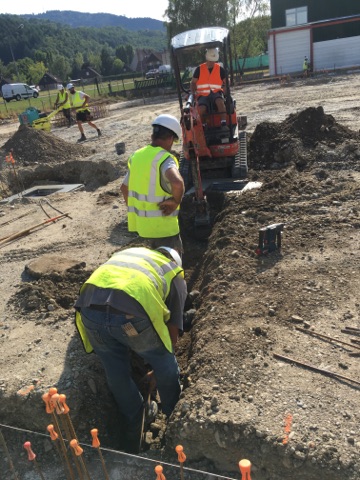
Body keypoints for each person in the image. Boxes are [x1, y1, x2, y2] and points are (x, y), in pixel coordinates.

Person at [74, 246, 187, 453]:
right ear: (176, 262)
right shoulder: (175, 274)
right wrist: (160, 366)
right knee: (165, 363)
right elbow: (172, 330)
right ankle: (174, 417)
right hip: (129, 317)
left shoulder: (131, 254)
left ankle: (134, 418)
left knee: (115, 371)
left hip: (90, 310)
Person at [120, 114, 185, 254]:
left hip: (142, 230)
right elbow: (177, 183)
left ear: (152, 136)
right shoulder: (165, 159)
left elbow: (124, 188)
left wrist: (137, 210)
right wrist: (175, 201)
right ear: (170, 138)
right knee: (171, 270)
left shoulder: (136, 156)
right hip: (165, 231)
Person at [190, 47, 227, 126]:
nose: (212, 63)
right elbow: (193, 83)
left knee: (219, 102)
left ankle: (223, 123)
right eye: (210, 61)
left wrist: (226, 90)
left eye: (213, 61)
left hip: (216, 93)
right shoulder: (199, 69)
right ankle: (203, 125)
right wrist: (193, 94)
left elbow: (226, 82)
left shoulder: (220, 69)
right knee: (201, 109)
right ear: (207, 58)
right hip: (203, 95)